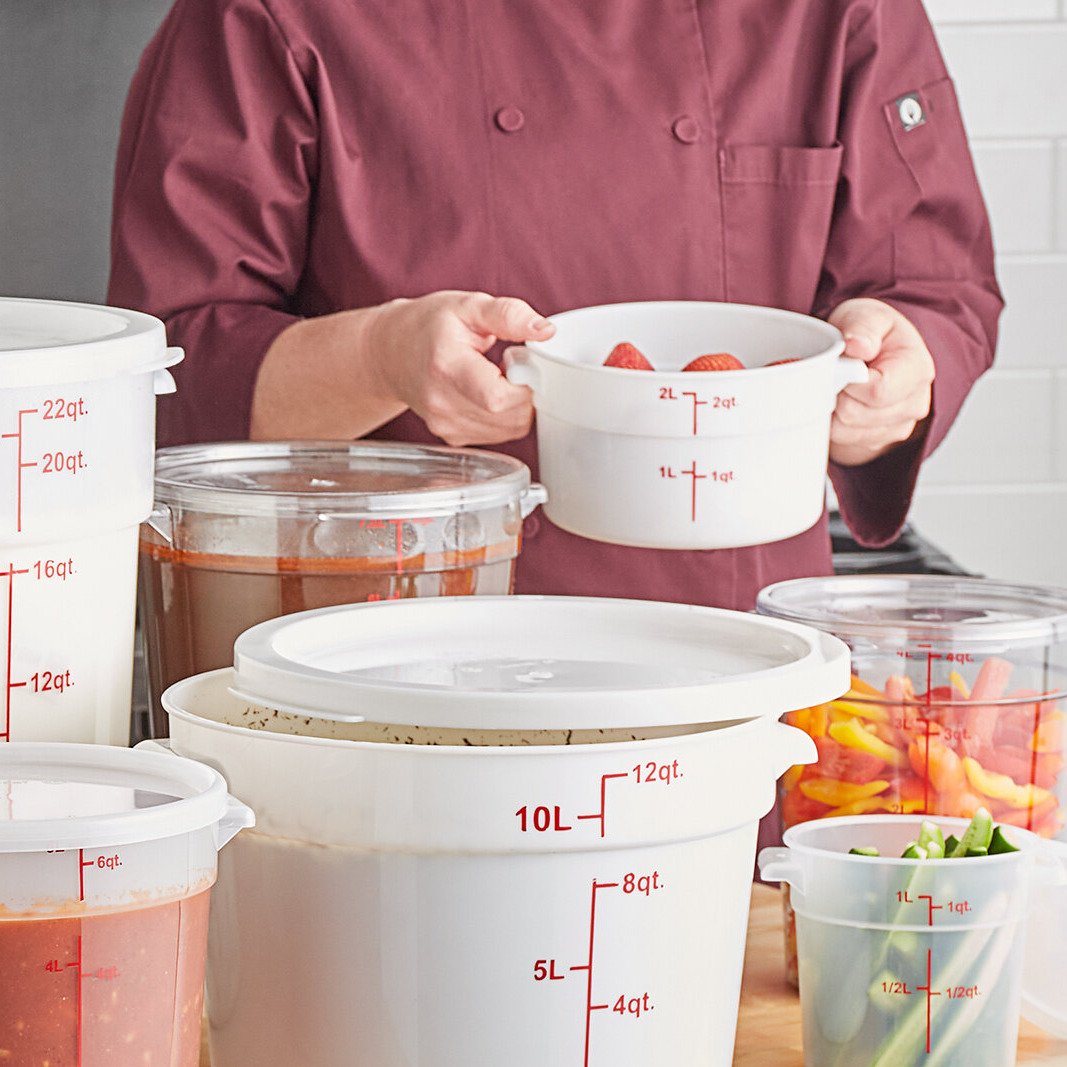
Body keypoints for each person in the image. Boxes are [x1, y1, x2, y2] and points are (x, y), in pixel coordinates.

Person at [108, 0, 1002, 613]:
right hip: (392, 652)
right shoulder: (266, 15)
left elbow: (932, 287)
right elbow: (171, 371)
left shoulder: (835, 11)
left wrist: (894, 383)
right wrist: (382, 356)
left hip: (736, 658)